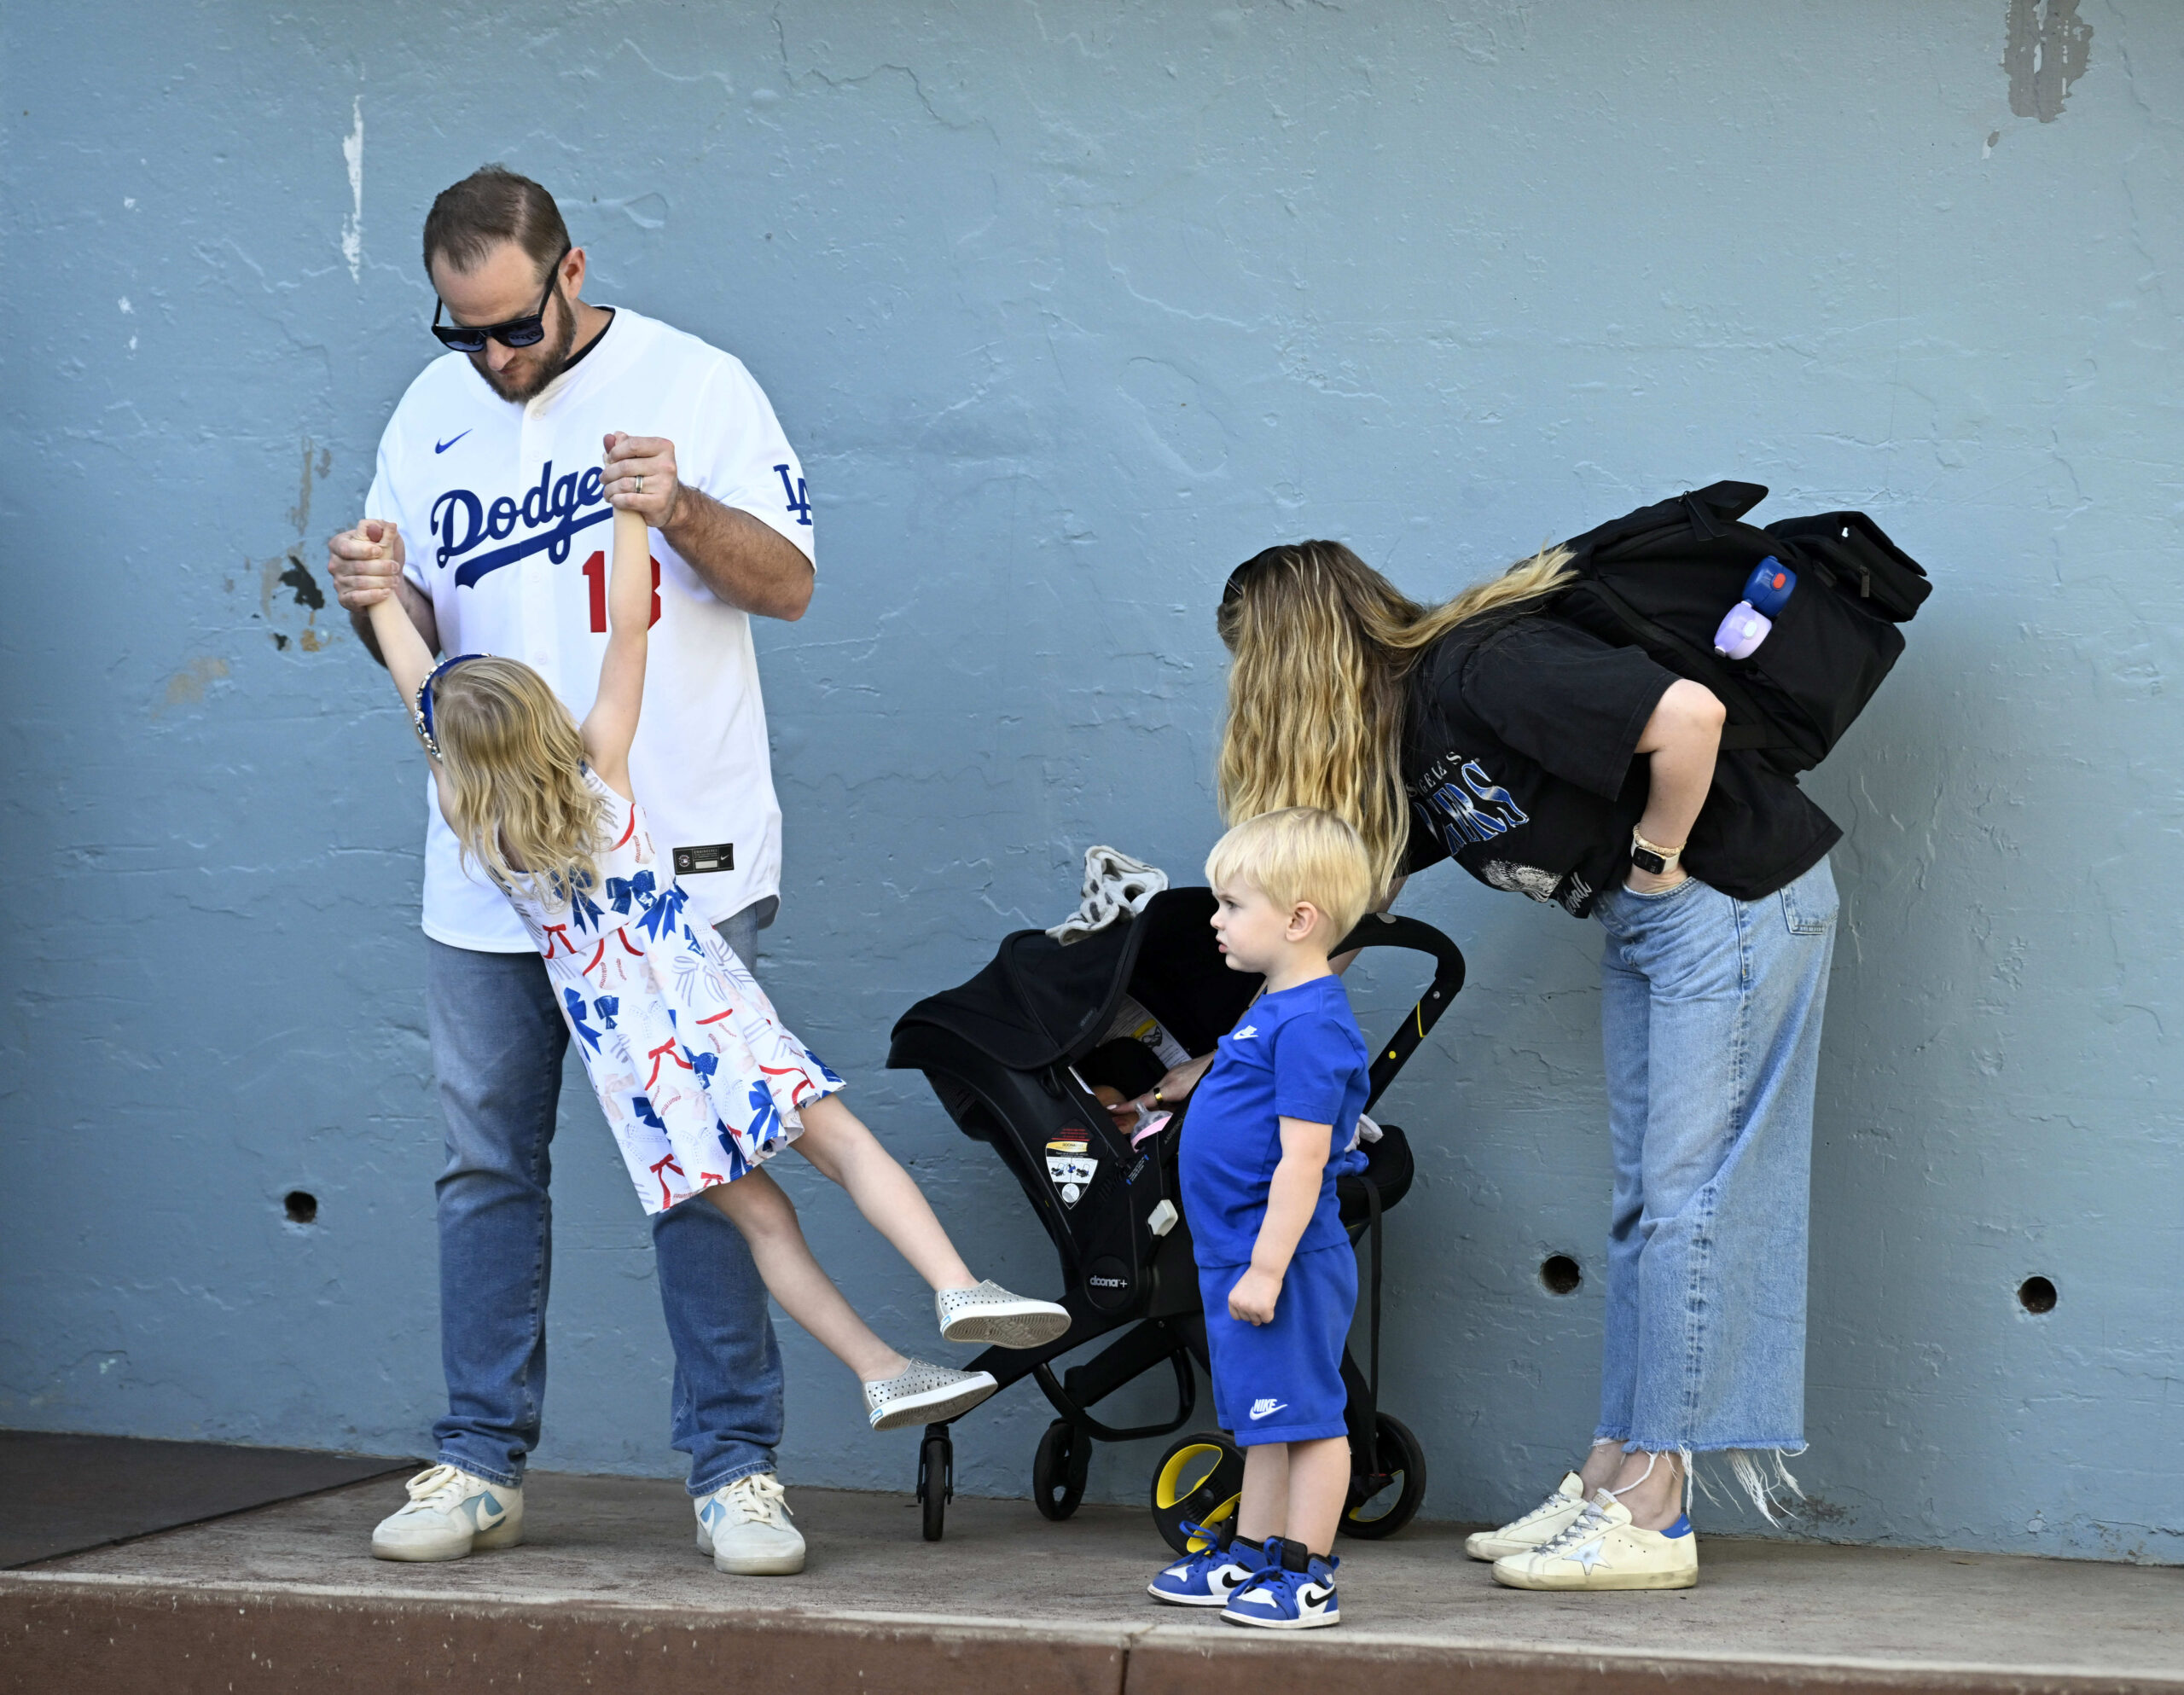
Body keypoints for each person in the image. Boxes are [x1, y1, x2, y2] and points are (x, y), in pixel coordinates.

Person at [353, 502, 1070, 1556]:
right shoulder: (601, 780)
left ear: (450, 754)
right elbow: (632, 631)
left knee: (766, 1224)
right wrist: (633, 521)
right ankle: (957, 1287)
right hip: (717, 1021)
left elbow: (421, 681)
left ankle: (882, 1371)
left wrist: (379, 593)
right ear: (545, 718)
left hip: (639, 1076)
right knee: (847, 1149)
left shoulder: (482, 823)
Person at [1145, 540, 1841, 1593]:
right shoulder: (1414, 740)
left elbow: (1689, 719)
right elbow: (1331, 922)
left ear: (1290, 657)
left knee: (1689, 1201)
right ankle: (1612, 1472)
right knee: (1643, 1204)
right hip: (1657, 926)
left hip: (1732, 906)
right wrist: (1232, 1054)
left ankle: (1654, 1510)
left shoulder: (1481, 666)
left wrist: (1653, 863)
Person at [326, 166, 829, 1574]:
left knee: (704, 1165)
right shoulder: (430, 417)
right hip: (490, 865)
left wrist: (678, 509)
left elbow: (787, 581)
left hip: (672, 855)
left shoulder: (699, 380)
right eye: (463, 331)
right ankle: (479, 1461)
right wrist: (381, 595)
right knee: (485, 1163)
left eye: (514, 326)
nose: (494, 356)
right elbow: (418, 650)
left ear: (571, 270)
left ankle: (736, 1471)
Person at [1144, 808, 1372, 1631]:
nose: (1215, 918)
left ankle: (1307, 1574)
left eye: (1232, 904)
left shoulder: (1311, 1022)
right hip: (1237, 1252)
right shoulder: (1273, 1005)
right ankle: (1253, 1552)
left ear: (1299, 918)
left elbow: (1305, 1158)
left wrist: (1270, 1265)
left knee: (1308, 1418)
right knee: (1265, 1417)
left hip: (1280, 1259)